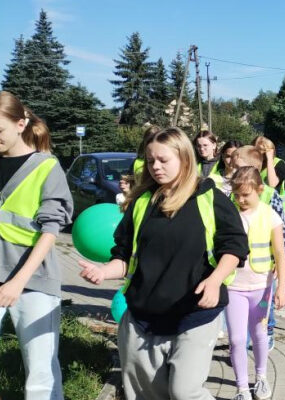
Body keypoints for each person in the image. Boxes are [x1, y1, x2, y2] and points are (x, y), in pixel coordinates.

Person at [78, 127, 248, 400]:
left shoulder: (210, 199)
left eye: (163, 160)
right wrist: (102, 271)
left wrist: (215, 281)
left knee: (185, 392)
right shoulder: (142, 202)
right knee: (146, 395)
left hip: (194, 314)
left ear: (184, 158)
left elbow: (235, 247)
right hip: (143, 317)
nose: (155, 167)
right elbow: (123, 256)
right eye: (150, 160)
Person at [0, 91, 73, 400]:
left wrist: (18, 282)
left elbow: (50, 232)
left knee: (40, 374)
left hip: (33, 282)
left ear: (20, 124)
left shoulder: (46, 167)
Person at [225, 166, 285, 400]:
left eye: (246, 195)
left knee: (259, 334)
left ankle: (261, 377)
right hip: (233, 286)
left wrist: (281, 287)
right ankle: (242, 388)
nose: (240, 200)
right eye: (236, 194)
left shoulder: (269, 214)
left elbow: (280, 252)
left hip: (262, 288)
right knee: (237, 339)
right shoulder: (228, 213)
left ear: (260, 190)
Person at [231, 145, 285, 348]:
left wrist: (279, 266)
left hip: (265, 269)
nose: (234, 169)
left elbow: (281, 236)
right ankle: (243, 342)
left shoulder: (271, 196)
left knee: (265, 305)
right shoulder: (234, 197)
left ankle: (268, 330)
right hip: (238, 273)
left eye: (239, 167)